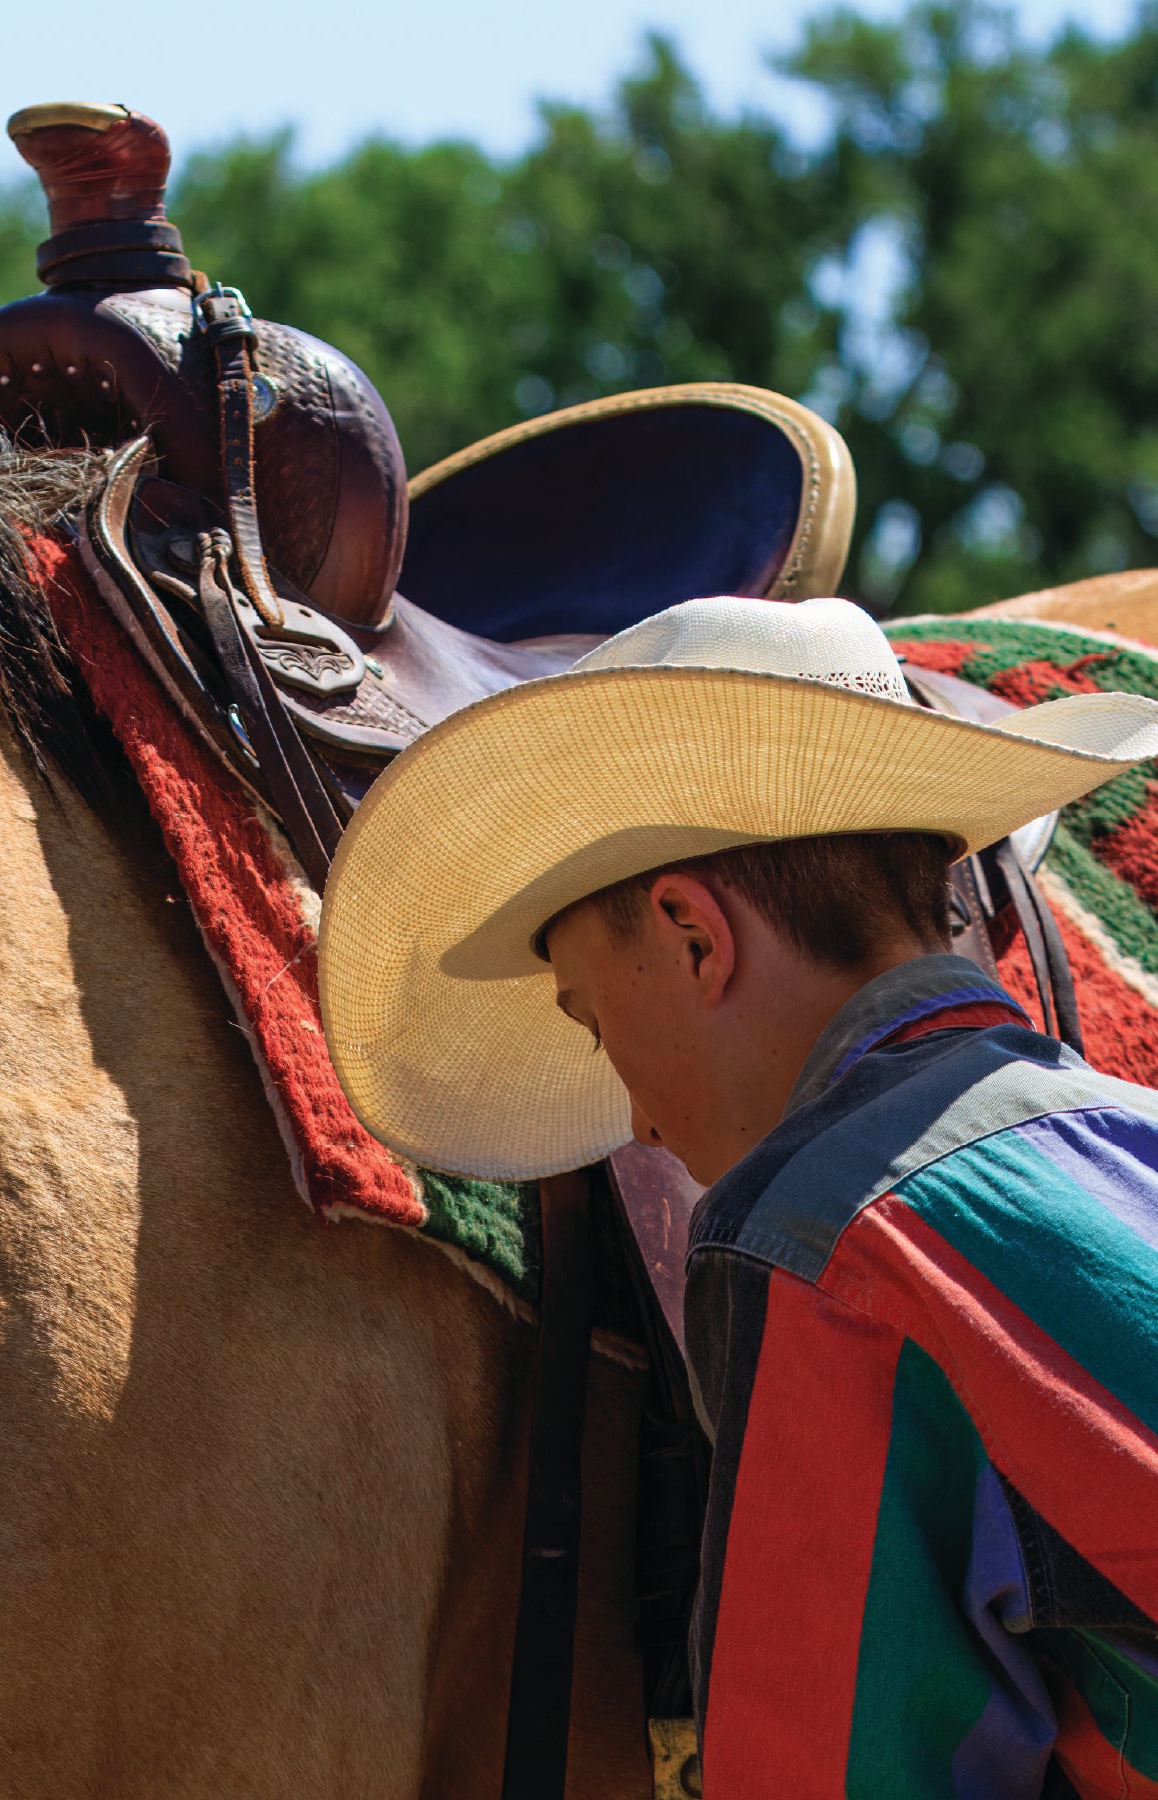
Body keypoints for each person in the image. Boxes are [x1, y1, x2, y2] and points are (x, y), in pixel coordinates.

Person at [317, 595, 1158, 1797]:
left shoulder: (828, 1247)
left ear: (694, 936)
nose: (641, 1123)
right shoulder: (1134, 1131)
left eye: (593, 1020)